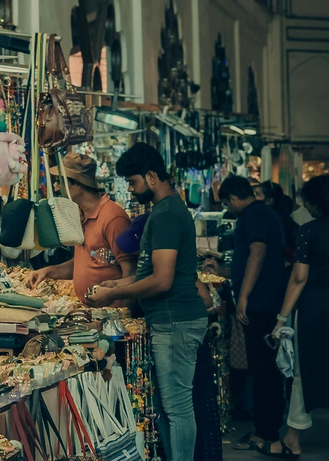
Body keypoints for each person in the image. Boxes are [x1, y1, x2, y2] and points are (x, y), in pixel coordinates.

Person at [84, 143, 207, 461]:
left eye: (133, 181)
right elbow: (155, 273)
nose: (131, 188)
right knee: (175, 406)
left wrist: (114, 293)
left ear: (152, 176)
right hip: (174, 318)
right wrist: (119, 283)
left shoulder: (166, 214)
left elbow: (163, 280)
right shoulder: (167, 211)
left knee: (178, 408)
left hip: (175, 320)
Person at [214, 175, 286, 451]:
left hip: (261, 304)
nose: (228, 210)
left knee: (263, 368)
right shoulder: (262, 213)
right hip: (265, 301)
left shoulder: (253, 215)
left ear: (233, 198)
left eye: (227, 204)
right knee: (265, 367)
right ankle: (267, 429)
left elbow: (257, 253)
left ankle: (266, 433)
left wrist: (243, 296)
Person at [260, 175, 329, 459]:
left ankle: (292, 439)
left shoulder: (309, 231)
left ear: (316, 202)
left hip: (314, 310)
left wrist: (281, 318)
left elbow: (299, 279)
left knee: (304, 373)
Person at [26, 153, 136, 304]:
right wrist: (47, 272)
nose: (56, 188)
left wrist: (123, 317)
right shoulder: (80, 215)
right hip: (90, 312)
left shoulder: (113, 218)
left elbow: (130, 272)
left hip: (110, 316)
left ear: (77, 184)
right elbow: (82, 263)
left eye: (60, 182)